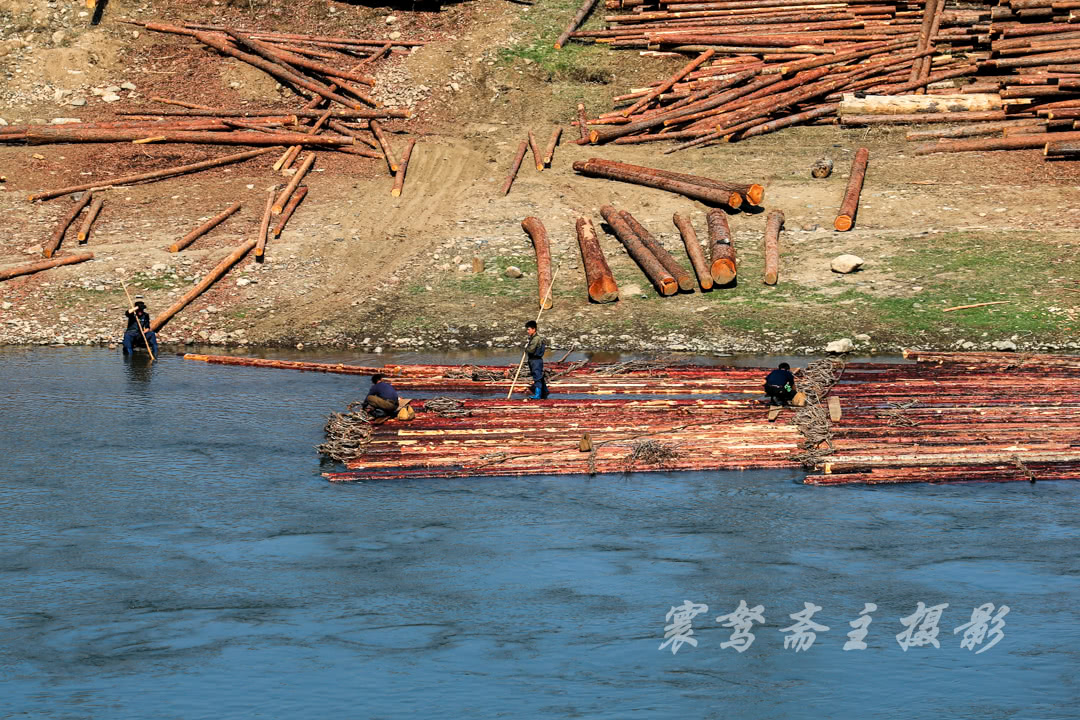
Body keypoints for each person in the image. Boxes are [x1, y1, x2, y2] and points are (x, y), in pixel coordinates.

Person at [523, 320, 549, 400]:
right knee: (539, 376)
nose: (528, 331)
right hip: (534, 360)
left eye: (529, 329)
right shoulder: (533, 338)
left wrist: (526, 348)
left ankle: (538, 395)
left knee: (537, 376)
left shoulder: (536, 339)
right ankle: (545, 391)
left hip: (535, 360)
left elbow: (531, 350)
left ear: (534, 329)